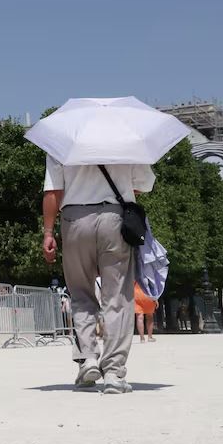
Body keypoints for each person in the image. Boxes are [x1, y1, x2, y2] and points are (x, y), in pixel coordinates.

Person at [42, 157, 155, 395]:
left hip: (74, 218)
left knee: (81, 293)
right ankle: (113, 371)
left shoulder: (64, 138)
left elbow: (53, 190)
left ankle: (88, 359)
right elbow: (142, 185)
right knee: (117, 297)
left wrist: (49, 232)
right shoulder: (126, 138)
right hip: (114, 217)